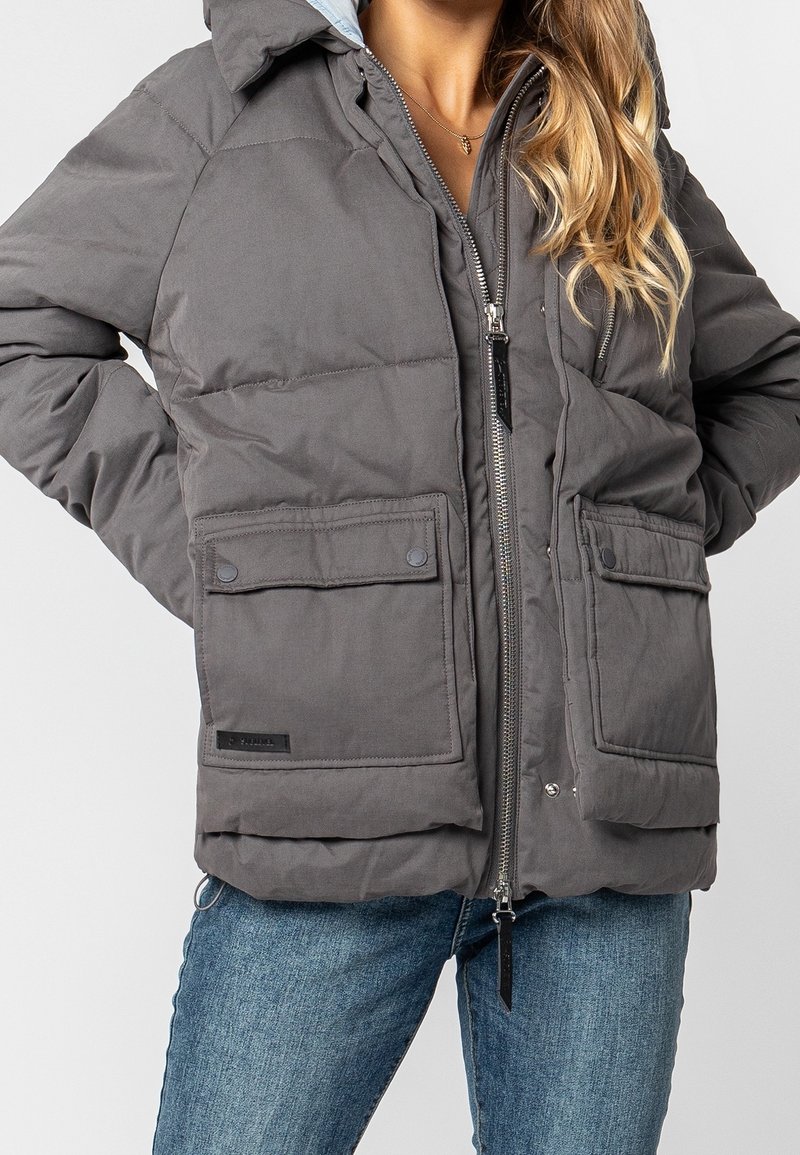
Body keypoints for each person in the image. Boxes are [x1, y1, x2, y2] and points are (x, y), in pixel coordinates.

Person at [1, 1, 798, 1151]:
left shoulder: (604, 140)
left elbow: (771, 380)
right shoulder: (216, 113)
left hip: (606, 843)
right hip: (330, 821)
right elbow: (22, 327)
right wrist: (230, 566)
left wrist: (643, 543)